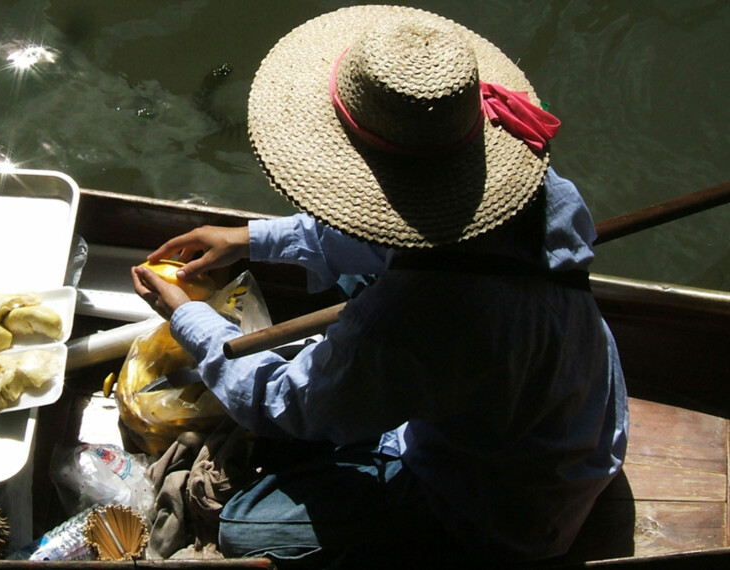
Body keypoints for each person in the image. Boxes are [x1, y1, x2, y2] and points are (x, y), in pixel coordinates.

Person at [130, 5, 628, 567]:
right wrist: (251, 239)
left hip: (506, 505)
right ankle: (368, 405)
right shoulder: (544, 193)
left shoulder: (415, 318)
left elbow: (283, 402)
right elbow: (390, 232)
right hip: (571, 409)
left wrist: (188, 318)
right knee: (356, 300)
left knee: (244, 526)